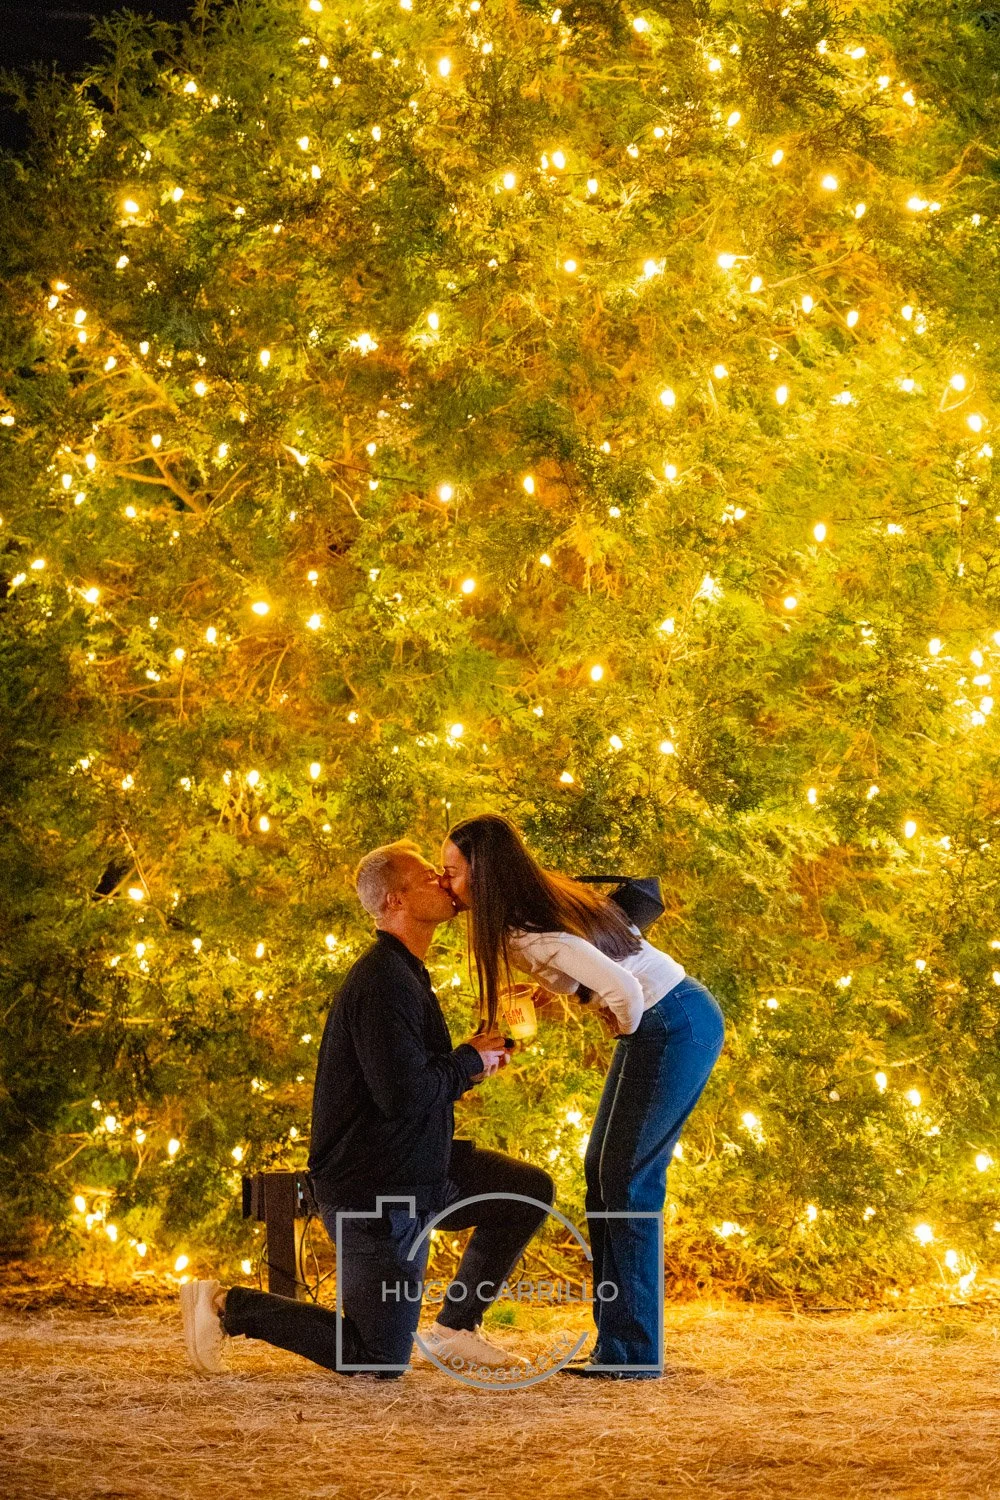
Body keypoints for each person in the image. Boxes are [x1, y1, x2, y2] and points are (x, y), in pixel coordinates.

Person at [181, 838, 554, 1379]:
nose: (445, 881)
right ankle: (225, 1306)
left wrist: (479, 1055)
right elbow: (402, 1096)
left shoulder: (406, 973)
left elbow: (416, 1082)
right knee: (376, 1359)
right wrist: (466, 1061)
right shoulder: (382, 980)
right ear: (393, 902)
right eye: (430, 875)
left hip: (418, 1167)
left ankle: (455, 1329)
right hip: (375, 1190)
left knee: (526, 1192)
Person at [441, 814, 724, 1380]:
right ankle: (620, 1347)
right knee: (605, 1168)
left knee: (627, 1179)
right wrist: (556, 994)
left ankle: (634, 1352)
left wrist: (623, 1026)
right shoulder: (529, 914)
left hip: (672, 1022)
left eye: (452, 873)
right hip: (674, 1016)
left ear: (484, 875)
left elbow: (623, 987)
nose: (445, 883)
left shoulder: (527, 932)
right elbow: (599, 966)